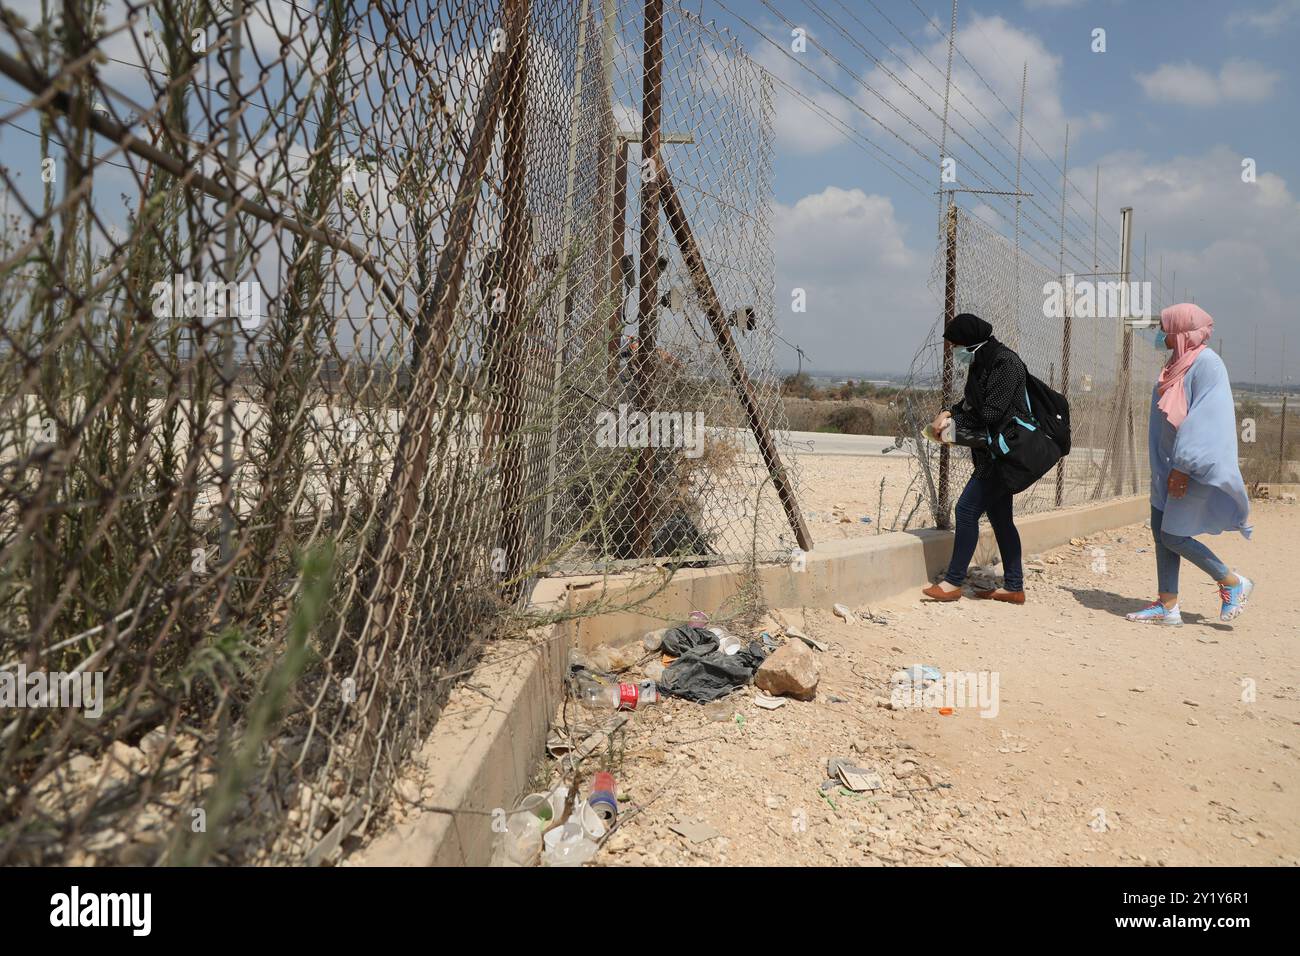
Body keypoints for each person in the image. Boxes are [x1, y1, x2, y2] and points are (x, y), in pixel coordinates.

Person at [1126, 303, 1253, 626]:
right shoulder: (1178, 363)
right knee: (1160, 531)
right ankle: (1167, 606)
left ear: (1181, 333)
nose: (1160, 335)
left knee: (1173, 535)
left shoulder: (1207, 364)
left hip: (1187, 468)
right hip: (1165, 466)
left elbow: (1205, 420)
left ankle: (1232, 582)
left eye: (1165, 329)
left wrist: (1182, 467)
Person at [922, 313, 1028, 604]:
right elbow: (971, 403)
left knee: (966, 510)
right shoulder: (983, 362)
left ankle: (953, 583)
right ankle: (1014, 587)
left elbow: (992, 413)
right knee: (1001, 519)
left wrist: (957, 423)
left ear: (971, 342)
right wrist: (948, 413)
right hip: (989, 454)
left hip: (1003, 454)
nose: (956, 351)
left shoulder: (1006, 363)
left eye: (957, 345)